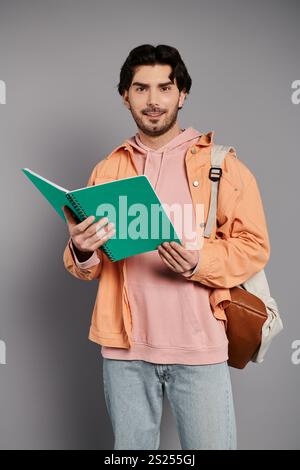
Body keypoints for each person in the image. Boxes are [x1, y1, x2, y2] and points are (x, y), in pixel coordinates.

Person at [62, 44, 270, 450]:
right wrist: (82, 250)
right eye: (141, 89)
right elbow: (91, 266)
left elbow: (254, 246)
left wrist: (199, 262)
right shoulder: (108, 169)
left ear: (182, 94)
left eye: (164, 88)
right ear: (126, 95)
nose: (153, 101)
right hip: (125, 352)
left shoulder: (220, 164)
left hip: (200, 348)